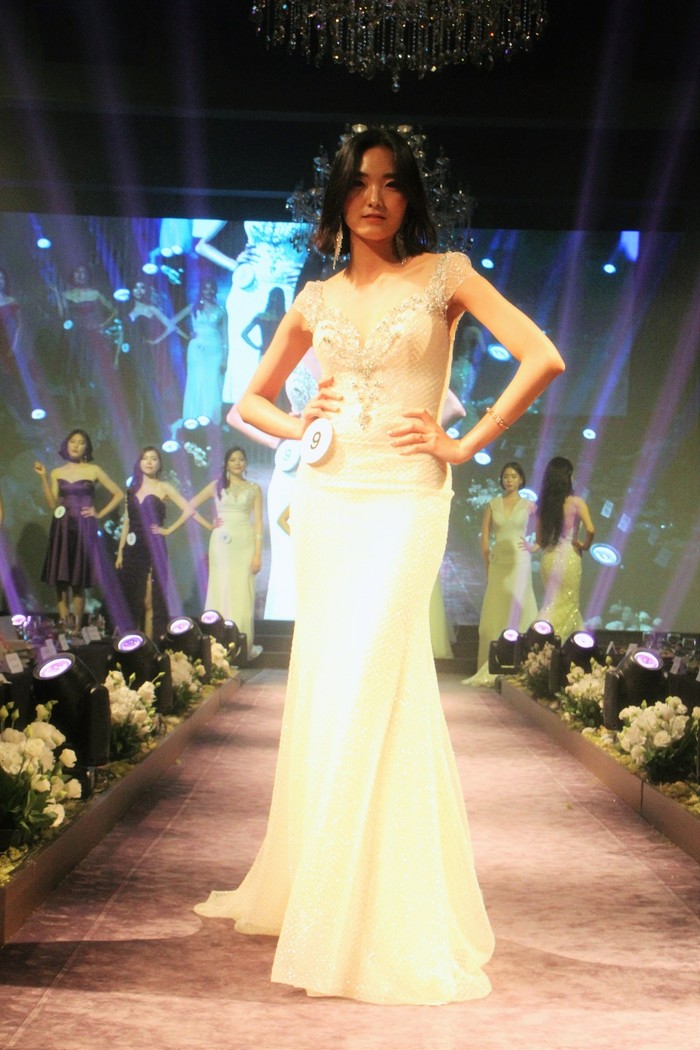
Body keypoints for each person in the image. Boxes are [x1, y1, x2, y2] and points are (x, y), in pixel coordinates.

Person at [194, 126, 565, 1004]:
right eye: (361, 182)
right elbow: (248, 401)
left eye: (392, 183)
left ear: (411, 198)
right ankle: (334, 884)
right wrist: (301, 424)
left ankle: (363, 909)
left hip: (406, 496)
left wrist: (466, 442)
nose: (374, 198)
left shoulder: (446, 276)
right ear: (339, 195)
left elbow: (542, 356)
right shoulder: (315, 298)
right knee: (340, 682)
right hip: (330, 499)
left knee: (374, 675)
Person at [34, 429, 123, 627]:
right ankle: (65, 628)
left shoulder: (94, 470)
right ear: (66, 445)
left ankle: (76, 630)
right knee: (61, 580)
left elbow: (118, 493)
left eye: (81, 442)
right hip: (62, 526)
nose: (75, 445)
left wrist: (98, 513)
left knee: (78, 580)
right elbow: (51, 503)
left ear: (86, 448)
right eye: (72, 441)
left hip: (84, 527)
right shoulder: (57, 472)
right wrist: (43, 477)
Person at [463, 461, 538, 686]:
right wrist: (487, 562)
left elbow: (544, 529)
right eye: (506, 476)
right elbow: (485, 535)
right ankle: (493, 663)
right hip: (498, 562)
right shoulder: (493, 504)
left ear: (521, 479)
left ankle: (521, 665)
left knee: (520, 608)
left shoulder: (529, 505)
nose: (509, 480)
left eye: (513, 476)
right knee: (495, 613)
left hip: (519, 562)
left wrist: (535, 546)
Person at [115, 446, 201, 641]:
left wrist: (168, 530)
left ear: (159, 463)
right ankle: (133, 642)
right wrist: (120, 552)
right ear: (139, 462)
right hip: (132, 548)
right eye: (145, 458)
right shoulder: (132, 489)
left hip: (154, 547)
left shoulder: (164, 487)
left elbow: (189, 510)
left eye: (154, 458)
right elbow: (127, 521)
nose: (149, 462)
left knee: (150, 599)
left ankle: (150, 644)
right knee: (133, 598)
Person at [189, 447, 263, 658]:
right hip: (221, 544)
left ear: (245, 463)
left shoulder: (254, 488)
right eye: (233, 460)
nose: (238, 463)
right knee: (220, 588)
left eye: (241, 459)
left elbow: (259, 523)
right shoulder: (216, 486)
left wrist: (258, 554)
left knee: (242, 591)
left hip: (245, 543)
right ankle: (217, 645)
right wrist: (209, 525)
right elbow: (190, 506)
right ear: (226, 464)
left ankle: (240, 644)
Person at [535, 456, 595, 638]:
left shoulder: (543, 504)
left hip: (549, 558)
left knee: (552, 604)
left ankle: (542, 640)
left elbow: (540, 540)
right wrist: (584, 545)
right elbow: (591, 529)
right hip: (569, 558)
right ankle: (552, 645)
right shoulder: (576, 502)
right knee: (568, 605)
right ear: (566, 477)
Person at [181, 278, 228, 426]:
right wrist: (187, 333)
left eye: (211, 288)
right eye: (205, 288)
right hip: (197, 349)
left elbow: (225, 336)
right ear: (201, 291)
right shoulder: (193, 308)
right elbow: (173, 321)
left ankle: (212, 419)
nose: (209, 291)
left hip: (215, 349)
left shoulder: (221, 310)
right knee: (196, 381)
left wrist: (225, 357)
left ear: (215, 290)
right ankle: (193, 417)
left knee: (213, 382)